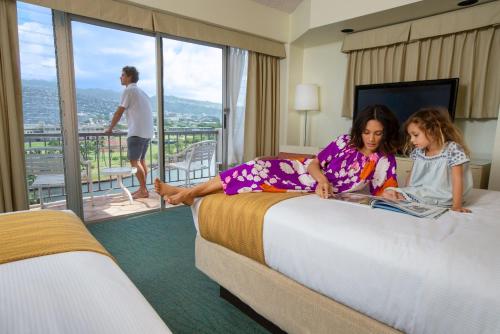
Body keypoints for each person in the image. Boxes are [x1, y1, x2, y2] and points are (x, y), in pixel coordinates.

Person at [155, 104, 400, 205]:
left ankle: (186, 193)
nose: (371, 139)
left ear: (385, 133)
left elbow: (384, 188)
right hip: (303, 172)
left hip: (305, 186)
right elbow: (315, 163)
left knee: (251, 174)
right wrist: (323, 179)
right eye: (367, 132)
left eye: (377, 134)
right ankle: (188, 193)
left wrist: (392, 192)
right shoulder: (345, 141)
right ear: (360, 129)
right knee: (253, 167)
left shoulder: (384, 160)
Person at [382, 108, 473, 212]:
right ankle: (415, 201)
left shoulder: (452, 149)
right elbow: (411, 175)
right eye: (410, 136)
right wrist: (405, 191)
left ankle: (424, 201)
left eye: (416, 135)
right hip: (423, 192)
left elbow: (457, 179)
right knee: (387, 193)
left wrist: (457, 206)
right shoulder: (419, 152)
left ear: (432, 131)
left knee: (394, 196)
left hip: (443, 194)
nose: (411, 140)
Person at [105, 66, 154, 199]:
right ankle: (143, 189)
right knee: (142, 160)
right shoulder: (142, 92)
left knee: (134, 162)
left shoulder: (129, 90)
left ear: (129, 77)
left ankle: (143, 190)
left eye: (122, 75)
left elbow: (119, 111)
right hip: (147, 132)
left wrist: (110, 128)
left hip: (136, 132)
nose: (120, 77)